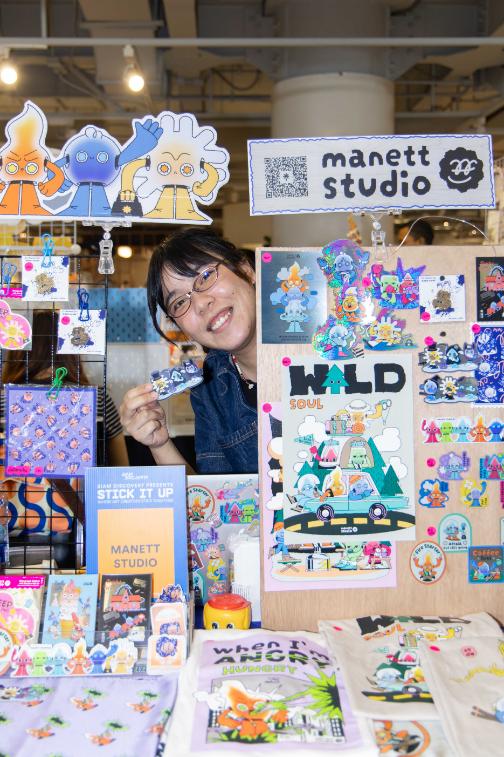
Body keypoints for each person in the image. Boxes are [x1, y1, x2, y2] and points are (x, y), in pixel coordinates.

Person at [120, 228, 258, 474]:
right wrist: (159, 444)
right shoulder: (210, 390)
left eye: (205, 276)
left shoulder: (326, 346)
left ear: (246, 270)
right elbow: (212, 496)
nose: (201, 303)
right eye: (180, 302)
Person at [1, 309, 129, 467]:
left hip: (15, 483)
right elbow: (121, 468)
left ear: (17, 353)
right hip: (84, 483)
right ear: (71, 351)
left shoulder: (4, 400)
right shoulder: (98, 398)